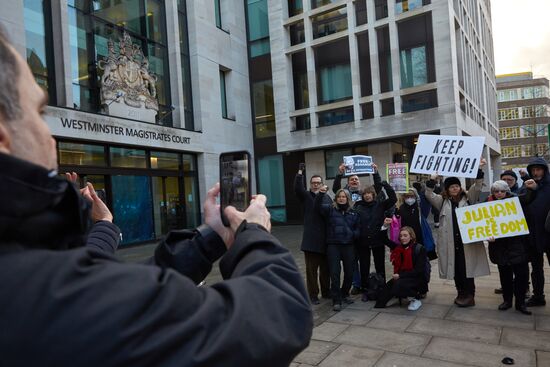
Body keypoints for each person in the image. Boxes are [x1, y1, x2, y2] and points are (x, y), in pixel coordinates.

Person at [0, 28, 312, 366]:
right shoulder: (38, 298)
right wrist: (255, 235)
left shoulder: (34, 272)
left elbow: (117, 293)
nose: (50, 136)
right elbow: (277, 313)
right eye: (40, 112)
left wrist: (210, 240)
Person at [424, 160, 490, 307]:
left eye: (456, 186)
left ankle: (470, 294)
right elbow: (428, 194)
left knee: (467, 268)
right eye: (451, 187)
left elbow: (478, 185)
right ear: (447, 189)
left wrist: (479, 168)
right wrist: (432, 180)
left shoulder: (469, 198)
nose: (454, 189)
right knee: (455, 268)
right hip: (450, 243)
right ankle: (460, 292)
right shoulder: (442, 201)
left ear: (460, 187)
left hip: (466, 242)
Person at [486, 179, 537, 315]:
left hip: (517, 245)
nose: (499, 194)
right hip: (500, 247)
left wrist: (531, 188)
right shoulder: (487, 204)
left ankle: (520, 303)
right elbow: (483, 223)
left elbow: (528, 199)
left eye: (502, 191)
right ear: (493, 192)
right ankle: (507, 300)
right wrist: (487, 235)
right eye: (496, 191)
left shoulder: (516, 201)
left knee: (521, 275)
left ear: (507, 191)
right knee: (505, 276)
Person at [354, 165, 397, 302]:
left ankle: (381, 288)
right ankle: (366, 290)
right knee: (364, 267)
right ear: (363, 195)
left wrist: (386, 185)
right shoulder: (358, 206)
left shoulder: (380, 204)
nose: (367, 195)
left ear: (373, 195)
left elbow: (393, 199)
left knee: (380, 266)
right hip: (363, 242)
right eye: (365, 194)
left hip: (378, 240)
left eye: (369, 193)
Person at [316, 187, 360, 311]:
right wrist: (321, 194)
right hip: (333, 245)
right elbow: (317, 206)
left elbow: (358, 228)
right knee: (334, 273)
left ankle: (345, 293)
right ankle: (336, 299)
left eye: (344, 196)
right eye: (339, 196)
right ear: (336, 199)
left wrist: (353, 234)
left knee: (350, 272)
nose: (341, 198)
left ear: (347, 198)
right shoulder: (330, 210)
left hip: (348, 246)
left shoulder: (354, 212)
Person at [294, 165, 331, 304]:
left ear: (322, 184)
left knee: (325, 270)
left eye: (318, 183)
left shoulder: (327, 198)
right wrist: (300, 173)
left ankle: (326, 292)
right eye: (313, 183)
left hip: (326, 240)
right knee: (311, 272)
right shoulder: (306, 196)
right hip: (310, 241)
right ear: (310, 184)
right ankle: (313, 295)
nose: (315, 185)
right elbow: (297, 188)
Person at [374, 226, 427, 311]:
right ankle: (400, 294)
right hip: (401, 277)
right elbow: (384, 240)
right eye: (401, 236)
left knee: (398, 285)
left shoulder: (419, 249)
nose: (402, 238)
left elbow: (419, 270)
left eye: (405, 235)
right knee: (381, 300)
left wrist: (400, 275)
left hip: (416, 278)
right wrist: (384, 226)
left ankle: (416, 298)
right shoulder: (398, 248)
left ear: (411, 236)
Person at [523, 157, 550, 307]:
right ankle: (538, 296)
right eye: (533, 170)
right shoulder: (527, 185)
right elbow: (521, 202)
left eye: (538, 169)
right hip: (533, 235)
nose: (535, 172)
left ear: (544, 170)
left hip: (549, 233)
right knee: (536, 268)